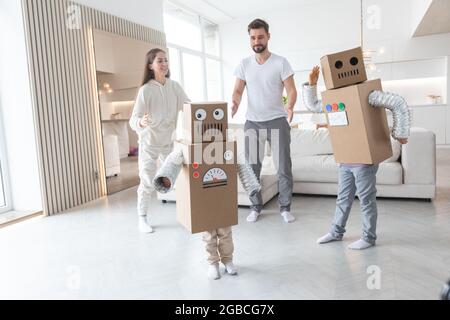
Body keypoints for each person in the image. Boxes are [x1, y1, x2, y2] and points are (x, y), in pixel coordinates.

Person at [304, 66, 409, 250]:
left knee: (366, 199)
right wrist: (312, 83)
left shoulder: (367, 94)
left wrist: (401, 132)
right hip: (346, 159)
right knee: (343, 198)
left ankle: (368, 238)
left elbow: (398, 103)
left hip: (364, 162)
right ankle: (336, 232)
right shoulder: (336, 98)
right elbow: (313, 106)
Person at [232, 18, 297, 223]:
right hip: (253, 122)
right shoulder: (244, 64)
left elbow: (292, 90)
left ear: (268, 36)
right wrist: (234, 102)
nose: (256, 41)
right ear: (249, 39)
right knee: (252, 167)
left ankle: (285, 208)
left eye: (260, 36)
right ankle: (255, 207)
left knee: (283, 167)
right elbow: (237, 90)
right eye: (253, 37)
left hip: (277, 120)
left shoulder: (280, 62)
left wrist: (290, 106)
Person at [129, 48, 189, 233]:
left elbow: (188, 107)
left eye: (165, 60)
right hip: (149, 144)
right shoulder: (145, 90)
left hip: (168, 143)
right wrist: (141, 121)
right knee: (146, 181)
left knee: (180, 178)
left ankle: (187, 215)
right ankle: (142, 218)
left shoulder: (174, 86)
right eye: (159, 61)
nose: (164, 64)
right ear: (151, 65)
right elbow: (133, 120)